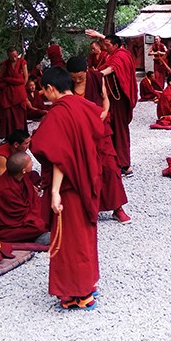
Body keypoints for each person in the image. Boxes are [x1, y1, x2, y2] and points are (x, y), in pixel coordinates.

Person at [31, 67, 104, 310]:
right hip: (88, 178)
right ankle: (88, 283)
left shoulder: (58, 115)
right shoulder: (84, 106)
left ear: (51, 88)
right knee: (84, 235)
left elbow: (59, 157)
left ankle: (80, 294)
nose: (45, 95)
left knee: (70, 240)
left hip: (69, 186)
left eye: (44, 91)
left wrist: (54, 192)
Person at [67, 56, 130, 223]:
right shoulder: (67, 83)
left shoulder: (96, 77)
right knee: (86, 171)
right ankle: (90, 208)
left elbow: (105, 98)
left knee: (110, 167)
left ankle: (117, 208)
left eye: (80, 76)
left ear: (86, 70)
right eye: (74, 77)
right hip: (80, 132)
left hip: (100, 128)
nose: (78, 80)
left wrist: (104, 112)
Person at [90, 32, 138, 178]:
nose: (105, 48)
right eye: (104, 45)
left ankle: (125, 165)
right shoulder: (114, 53)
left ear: (116, 46)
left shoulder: (121, 55)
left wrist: (97, 76)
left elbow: (112, 68)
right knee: (112, 130)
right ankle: (115, 162)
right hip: (113, 98)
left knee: (120, 130)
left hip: (119, 100)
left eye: (107, 45)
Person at [0, 152, 50, 244]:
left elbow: (33, 199)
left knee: (51, 208)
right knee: (39, 226)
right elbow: (19, 215)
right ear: (23, 170)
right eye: (30, 162)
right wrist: (39, 215)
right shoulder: (6, 189)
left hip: (28, 214)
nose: (32, 163)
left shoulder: (21, 177)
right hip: (6, 228)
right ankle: (39, 237)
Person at [0, 46, 29, 140]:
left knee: (19, 114)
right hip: (8, 92)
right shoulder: (5, 64)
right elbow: (1, 77)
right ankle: (9, 135)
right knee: (8, 114)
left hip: (19, 91)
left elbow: (26, 77)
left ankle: (20, 134)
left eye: (15, 56)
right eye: (12, 57)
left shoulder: (22, 62)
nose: (14, 58)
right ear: (8, 56)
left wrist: (21, 87)